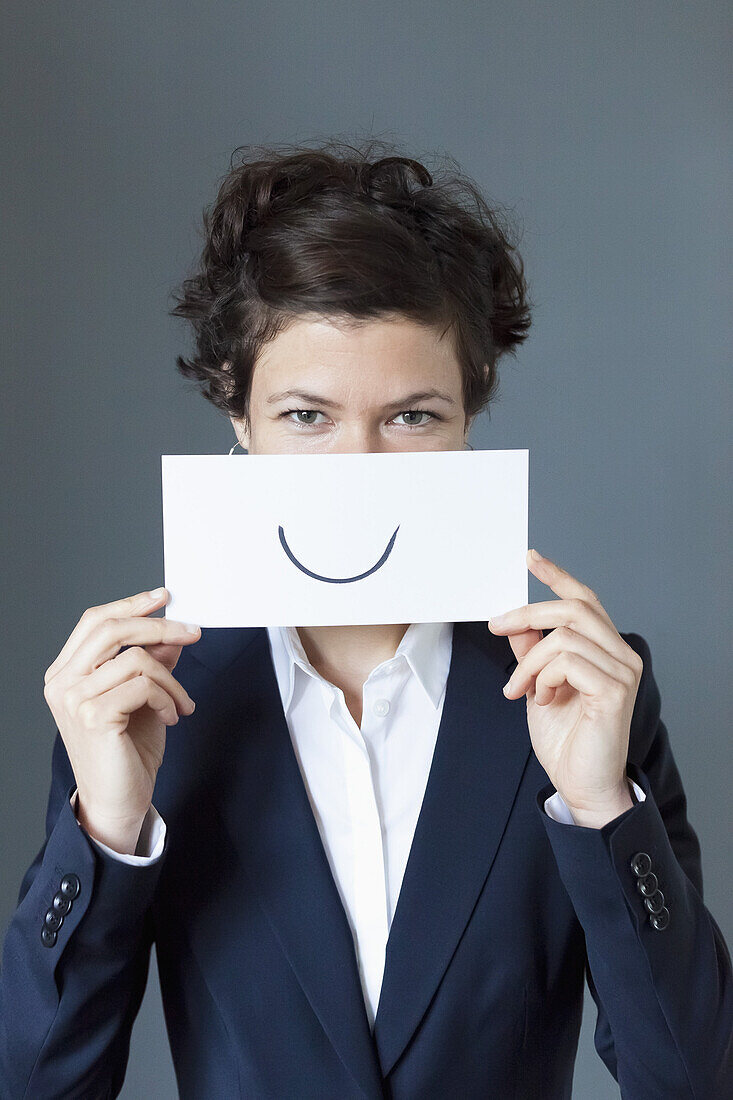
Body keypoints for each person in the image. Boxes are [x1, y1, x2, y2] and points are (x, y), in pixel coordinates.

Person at [2, 138, 731, 1099]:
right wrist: (101, 834)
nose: (358, 472)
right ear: (239, 417)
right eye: (307, 416)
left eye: (412, 417)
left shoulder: (580, 695)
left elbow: (692, 1078)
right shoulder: (146, 704)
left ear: (470, 416)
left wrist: (600, 809)